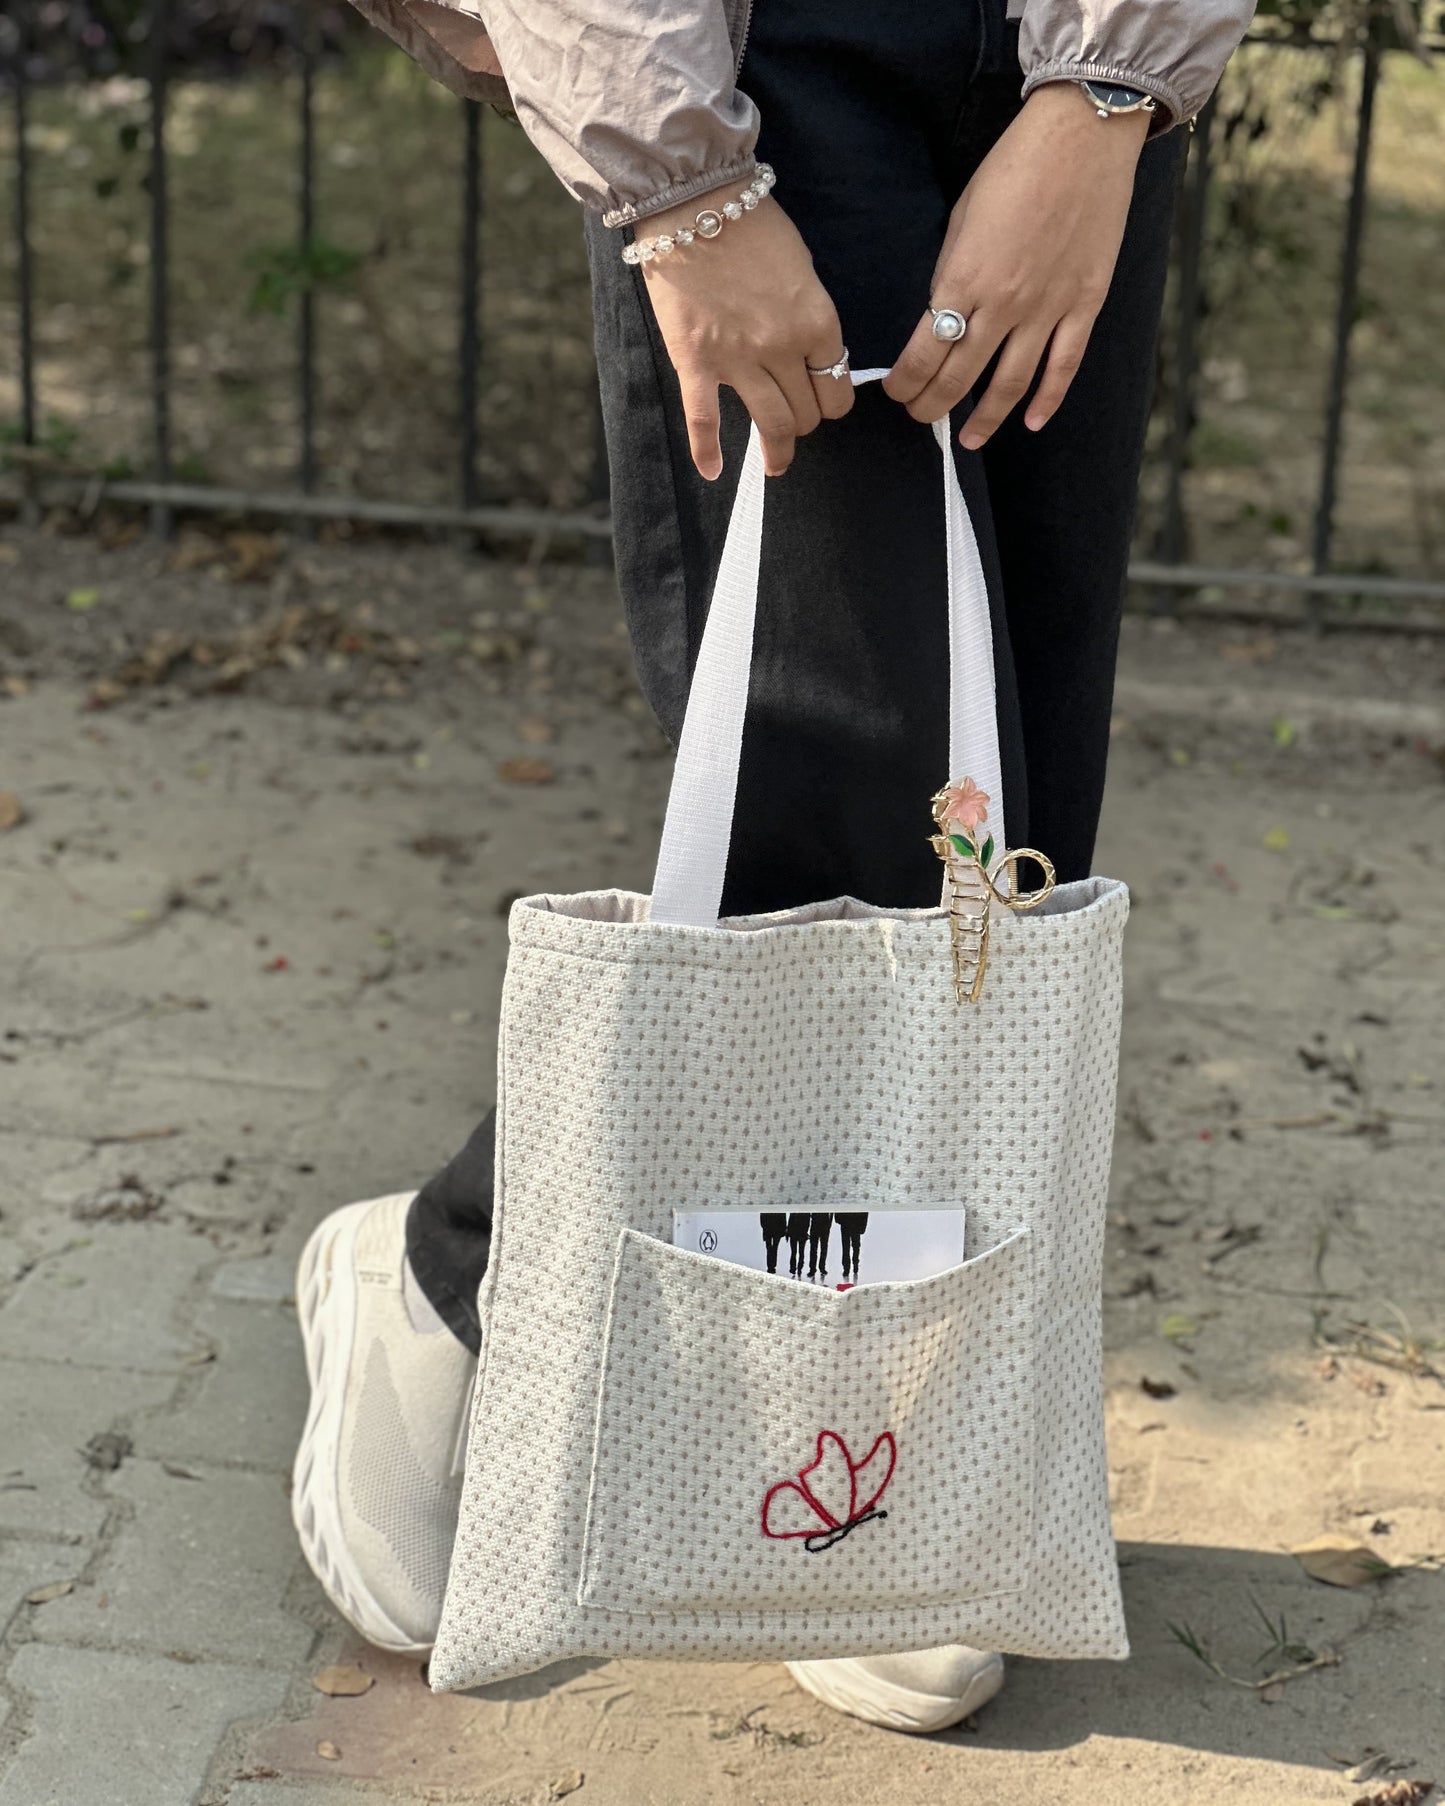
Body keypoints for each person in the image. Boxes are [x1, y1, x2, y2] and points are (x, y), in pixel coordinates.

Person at [294, 0, 1256, 1737]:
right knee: (839, 803)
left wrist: (1110, 89)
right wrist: (682, 185)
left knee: (995, 852)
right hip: (764, 63)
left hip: (1075, 67)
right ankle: (460, 1278)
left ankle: (872, 1445)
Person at [836, 1211, 869, 1284]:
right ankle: (851, 1266)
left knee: (849, 1247)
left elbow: (864, 1212)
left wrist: (838, 1218)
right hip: (852, 1223)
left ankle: (850, 1267)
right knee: (851, 1247)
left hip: (851, 1223)